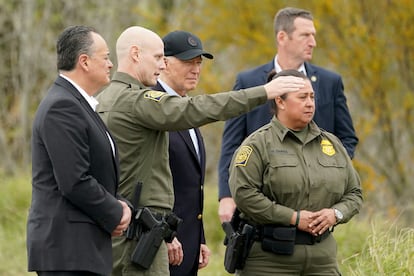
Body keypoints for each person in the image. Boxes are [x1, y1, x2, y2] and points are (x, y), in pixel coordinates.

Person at [95, 26, 306, 275]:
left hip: (132, 230)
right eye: (157, 58)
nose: (161, 66)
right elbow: (195, 109)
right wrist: (264, 92)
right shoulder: (135, 100)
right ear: (135, 54)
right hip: (137, 236)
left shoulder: (106, 97)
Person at [218, 6, 359, 223]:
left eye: (313, 35)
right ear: (282, 37)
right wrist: (226, 194)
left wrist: (331, 174)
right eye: (305, 35)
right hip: (260, 200)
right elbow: (231, 142)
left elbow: (347, 139)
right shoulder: (249, 81)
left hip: (316, 207)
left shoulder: (330, 82)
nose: (313, 42)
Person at [229, 69, 363, 275]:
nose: (310, 103)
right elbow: (244, 195)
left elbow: (354, 193)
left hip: (322, 259)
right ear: (280, 102)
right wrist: (293, 217)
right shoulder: (257, 145)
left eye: (312, 97)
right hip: (269, 260)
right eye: (302, 97)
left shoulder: (332, 144)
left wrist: (335, 214)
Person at [27, 25, 132, 276]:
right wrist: (116, 212)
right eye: (106, 57)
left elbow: (95, 173)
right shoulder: (62, 106)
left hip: (81, 250)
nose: (110, 64)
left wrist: (122, 204)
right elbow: (74, 180)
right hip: (67, 250)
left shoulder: (78, 104)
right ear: (84, 61)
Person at [152, 30, 212, 276]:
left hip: (187, 247)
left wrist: (199, 237)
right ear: (164, 62)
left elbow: (191, 186)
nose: (196, 69)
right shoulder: (152, 105)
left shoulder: (186, 107)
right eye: (188, 62)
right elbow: (148, 179)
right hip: (162, 245)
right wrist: (164, 235)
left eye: (199, 63)